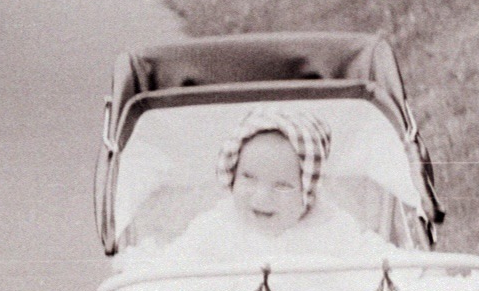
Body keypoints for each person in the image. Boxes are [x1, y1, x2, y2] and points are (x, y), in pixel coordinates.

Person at [166, 108, 394, 264]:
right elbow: (172, 268)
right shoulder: (215, 228)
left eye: (282, 186)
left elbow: (378, 261)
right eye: (248, 177)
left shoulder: (332, 229)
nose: (261, 199)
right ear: (232, 174)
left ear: (308, 192)